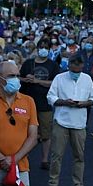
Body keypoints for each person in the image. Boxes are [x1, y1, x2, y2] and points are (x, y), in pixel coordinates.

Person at [45, 55, 93, 186]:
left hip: (79, 123)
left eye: (78, 70)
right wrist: (64, 102)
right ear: (68, 67)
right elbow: (51, 97)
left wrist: (83, 103)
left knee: (79, 156)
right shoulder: (59, 78)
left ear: (82, 68)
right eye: (73, 70)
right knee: (57, 154)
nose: (75, 73)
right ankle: (53, 183)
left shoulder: (86, 79)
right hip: (61, 121)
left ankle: (78, 184)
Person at [19, 38, 59, 169]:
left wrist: (37, 81)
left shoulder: (53, 65)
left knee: (46, 133)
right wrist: (26, 79)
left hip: (44, 103)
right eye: (41, 47)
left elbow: (55, 82)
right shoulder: (28, 64)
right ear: (37, 49)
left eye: (46, 47)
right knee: (25, 133)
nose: (43, 49)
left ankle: (45, 159)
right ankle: (23, 156)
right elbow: (18, 77)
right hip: (27, 101)